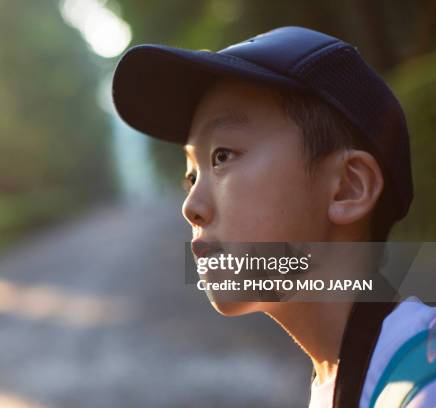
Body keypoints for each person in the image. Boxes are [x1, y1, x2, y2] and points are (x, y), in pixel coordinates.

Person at [111, 26, 436, 407]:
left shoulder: (421, 381)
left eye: (222, 156)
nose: (191, 206)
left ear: (348, 187)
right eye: (191, 175)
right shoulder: (350, 377)